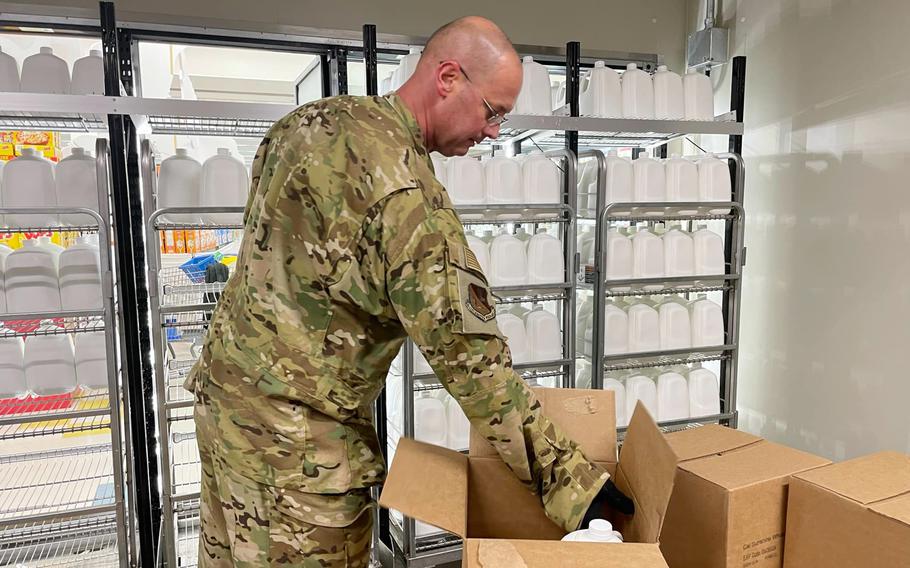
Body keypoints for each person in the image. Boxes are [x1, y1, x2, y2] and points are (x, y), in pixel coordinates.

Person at [186, 15, 632, 567]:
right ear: (448, 77)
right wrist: (577, 487)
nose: (493, 131)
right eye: (492, 112)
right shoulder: (409, 199)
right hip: (299, 458)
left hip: (226, 413)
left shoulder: (309, 122)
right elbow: (475, 369)